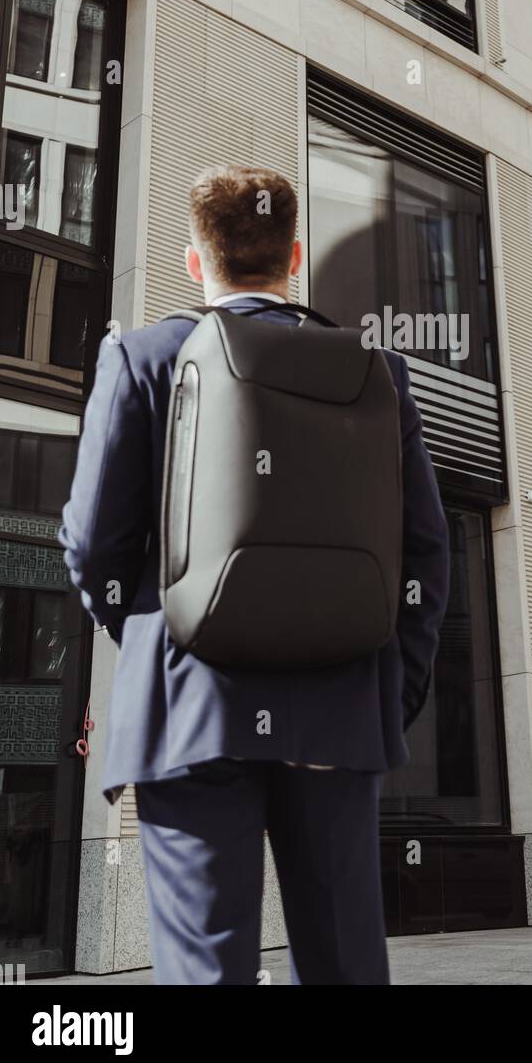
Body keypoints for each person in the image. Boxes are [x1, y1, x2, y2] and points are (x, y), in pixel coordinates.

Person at [59, 166, 450, 986]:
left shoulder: (143, 358)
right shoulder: (377, 371)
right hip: (339, 716)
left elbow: (95, 544)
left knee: (207, 972)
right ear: (295, 256)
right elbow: (425, 553)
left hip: (190, 708)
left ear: (197, 263)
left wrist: (144, 645)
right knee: (345, 966)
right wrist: (387, 692)